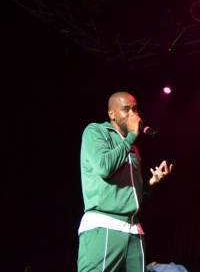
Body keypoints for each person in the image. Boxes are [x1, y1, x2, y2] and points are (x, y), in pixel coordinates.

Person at [78, 92, 173, 272]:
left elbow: (132, 197)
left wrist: (151, 183)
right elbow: (104, 167)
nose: (132, 114)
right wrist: (130, 138)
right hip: (104, 223)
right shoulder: (96, 131)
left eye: (135, 109)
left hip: (133, 229)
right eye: (126, 110)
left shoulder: (133, 148)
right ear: (111, 114)